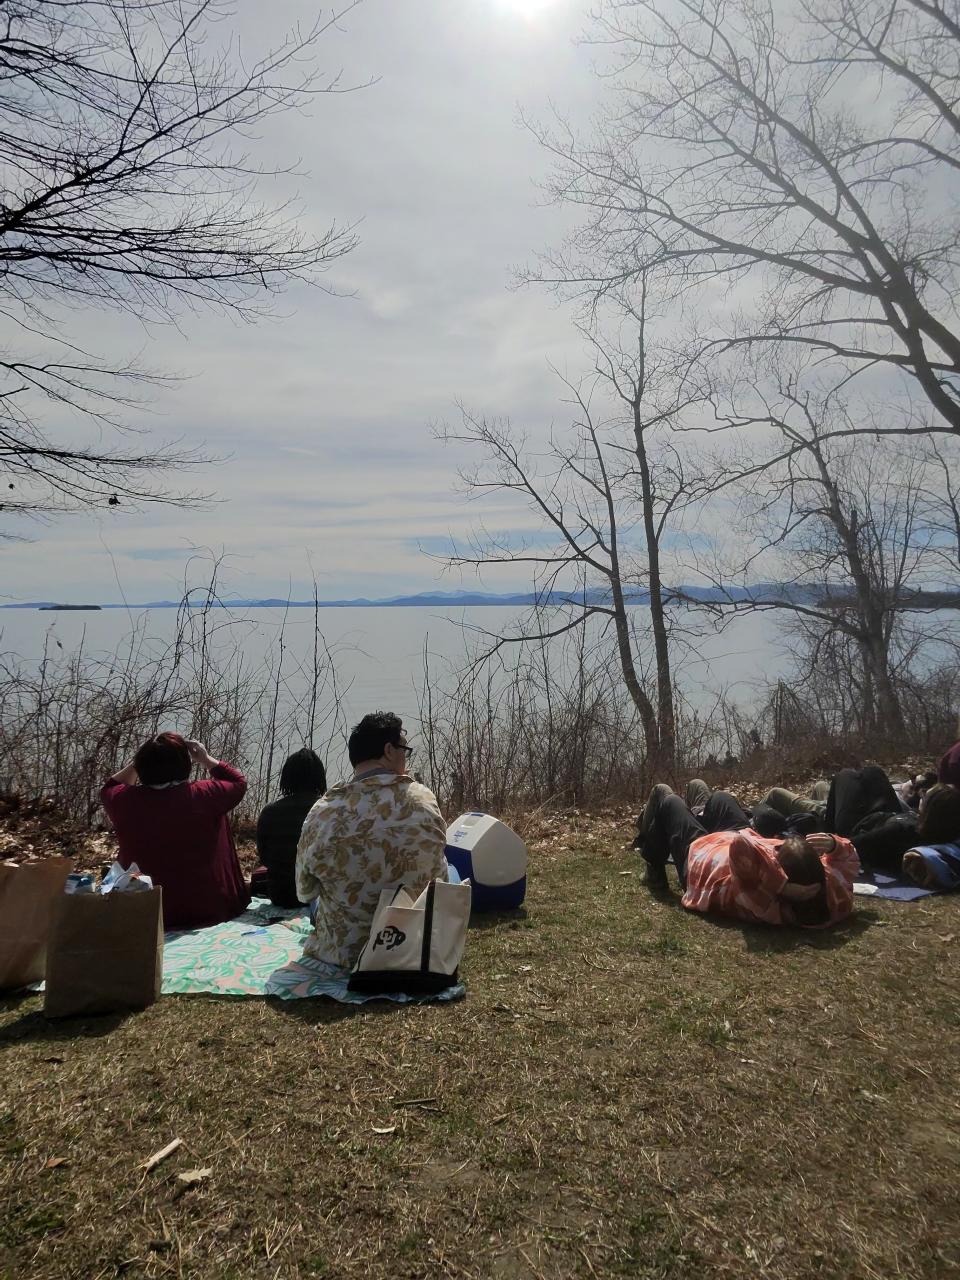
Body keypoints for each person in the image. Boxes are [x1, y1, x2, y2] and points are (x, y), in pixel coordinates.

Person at [295, 711, 449, 970]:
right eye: (404, 750)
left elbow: (304, 891)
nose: (406, 758)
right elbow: (440, 876)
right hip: (413, 948)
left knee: (318, 891)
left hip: (344, 953)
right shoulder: (422, 798)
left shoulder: (322, 810)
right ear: (389, 751)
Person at [635, 782, 857, 926]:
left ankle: (653, 870)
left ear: (781, 875)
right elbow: (850, 861)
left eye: (778, 851)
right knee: (721, 796)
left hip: (701, 857)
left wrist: (783, 887)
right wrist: (833, 844)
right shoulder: (831, 894)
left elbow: (741, 847)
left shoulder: (761, 899)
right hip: (734, 837)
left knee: (669, 801)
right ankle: (699, 812)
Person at [100, 733, 249, 930]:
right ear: (185, 765)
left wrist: (143, 760)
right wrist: (205, 758)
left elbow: (110, 786)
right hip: (211, 910)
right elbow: (238, 781)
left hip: (149, 912)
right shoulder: (204, 795)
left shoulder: (124, 801)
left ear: (142, 766)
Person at [254, 748, 327, 907]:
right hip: (319, 897)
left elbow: (264, 857)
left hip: (281, 895)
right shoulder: (328, 809)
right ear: (320, 777)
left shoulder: (270, 812)